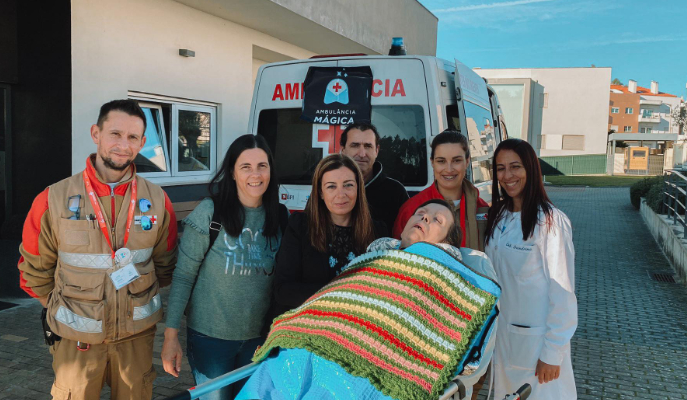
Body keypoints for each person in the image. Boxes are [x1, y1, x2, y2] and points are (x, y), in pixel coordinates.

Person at [236, 198, 499, 400]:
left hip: (371, 366)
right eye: (421, 213)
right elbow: (335, 297)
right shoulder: (370, 259)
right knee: (274, 371)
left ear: (447, 243)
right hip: (312, 343)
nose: (425, 217)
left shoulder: (447, 279)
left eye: (437, 220)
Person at [17, 99, 178, 399]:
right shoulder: (52, 199)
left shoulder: (158, 200)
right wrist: (68, 312)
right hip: (76, 344)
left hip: (136, 340)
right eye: (115, 134)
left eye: (132, 137)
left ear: (142, 143)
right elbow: (33, 273)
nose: (123, 145)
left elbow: (166, 267)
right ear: (96, 133)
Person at [160, 135, 287, 400]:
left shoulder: (280, 216)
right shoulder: (211, 212)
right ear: (232, 172)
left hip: (259, 340)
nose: (255, 174)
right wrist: (170, 337)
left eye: (262, 166)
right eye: (246, 166)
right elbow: (183, 276)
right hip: (210, 340)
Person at [484, 138, 577, 399]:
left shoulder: (550, 222)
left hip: (536, 346)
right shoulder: (499, 216)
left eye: (515, 166)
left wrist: (553, 353)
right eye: (501, 168)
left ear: (531, 169)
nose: (507, 175)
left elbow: (563, 292)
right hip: (504, 340)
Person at [269, 154, 388, 319]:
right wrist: (342, 295)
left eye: (348, 185)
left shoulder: (378, 231)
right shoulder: (300, 227)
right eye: (331, 186)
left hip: (357, 328)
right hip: (308, 327)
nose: (341, 194)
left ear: (358, 189)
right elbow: (283, 290)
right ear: (321, 192)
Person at [393, 130, 489, 250]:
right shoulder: (411, 208)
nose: (449, 169)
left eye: (456, 160)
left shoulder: (482, 209)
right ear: (432, 162)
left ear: (467, 161)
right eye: (441, 161)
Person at [340, 123, 409, 229]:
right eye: (355, 145)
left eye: (368, 146)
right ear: (343, 150)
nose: (362, 154)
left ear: (376, 150)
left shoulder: (396, 192)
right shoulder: (329, 190)